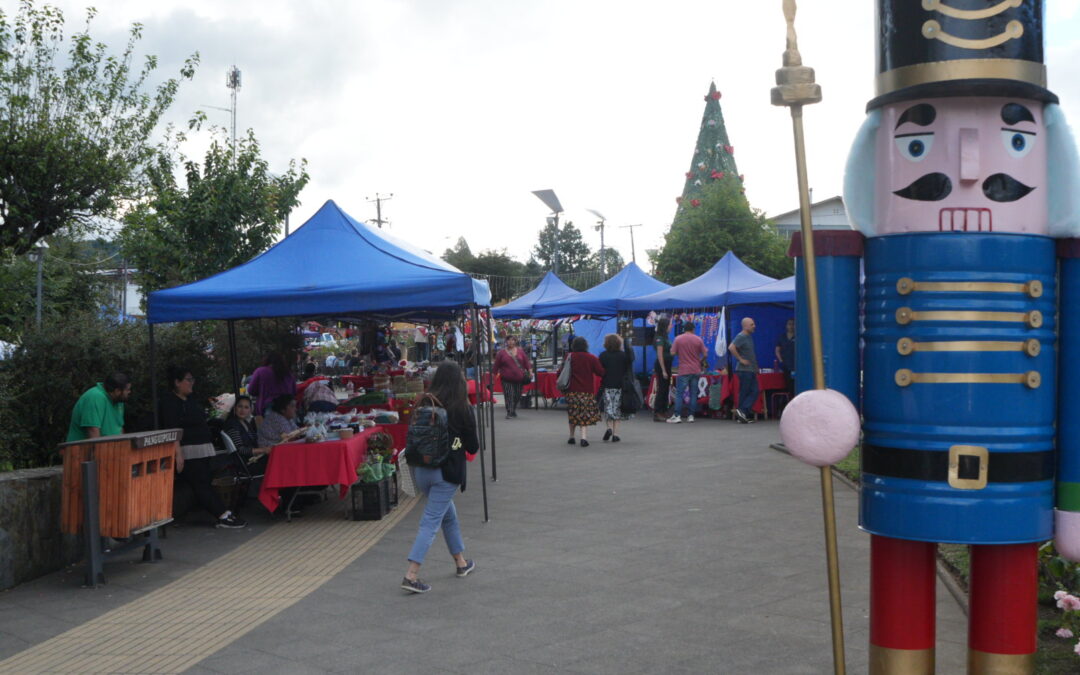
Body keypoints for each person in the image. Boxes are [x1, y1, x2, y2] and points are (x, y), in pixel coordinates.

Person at [401, 361, 480, 594]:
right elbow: (473, 446)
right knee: (431, 521)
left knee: (448, 516)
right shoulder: (462, 407)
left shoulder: (425, 401)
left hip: (422, 470)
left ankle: (461, 563)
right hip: (446, 473)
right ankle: (411, 574)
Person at [159, 366, 246, 529]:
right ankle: (222, 514)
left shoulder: (191, 399)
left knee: (204, 481)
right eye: (188, 380)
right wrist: (178, 454)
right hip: (187, 449)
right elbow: (172, 429)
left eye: (193, 379)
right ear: (177, 382)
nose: (192, 383)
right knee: (200, 483)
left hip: (202, 448)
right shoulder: (169, 402)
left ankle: (221, 513)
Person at [563, 336, 605, 446]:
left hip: (571, 391)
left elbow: (561, 372)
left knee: (573, 413)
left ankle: (571, 436)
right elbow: (600, 372)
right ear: (586, 345)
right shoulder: (591, 358)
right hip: (586, 391)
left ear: (574, 345)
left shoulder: (569, 357)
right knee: (584, 414)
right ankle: (583, 438)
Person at [67, 373, 131, 442]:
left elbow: (119, 429)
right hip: (82, 450)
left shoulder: (118, 400)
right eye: (127, 389)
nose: (129, 392)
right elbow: (93, 433)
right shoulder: (95, 397)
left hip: (112, 449)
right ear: (117, 391)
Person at [668, 322, 707, 423]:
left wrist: (680, 353)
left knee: (680, 394)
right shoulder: (698, 339)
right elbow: (705, 354)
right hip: (696, 369)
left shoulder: (678, 339)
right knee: (693, 393)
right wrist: (700, 361)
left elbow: (672, 353)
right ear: (693, 329)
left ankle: (677, 415)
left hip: (684, 370)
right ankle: (691, 416)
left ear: (684, 329)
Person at [599, 333, 634, 442]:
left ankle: (609, 428)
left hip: (607, 385)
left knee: (608, 408)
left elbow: (600, 371)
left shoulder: (603, 355)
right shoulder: (623, 356)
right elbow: (630, 362)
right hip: (620, 386)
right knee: (617, 409)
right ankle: (616, 434)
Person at [493, 335, 532, 420]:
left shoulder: (521, 351)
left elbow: (527, 363)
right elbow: (496, 366)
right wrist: (493, 376)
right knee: (509, 395)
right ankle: (510, 412)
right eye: (509, 340)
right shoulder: (501, 353)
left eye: (512, 340)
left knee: (517, 396)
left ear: (515, 341)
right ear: (506, 342)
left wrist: (530, 371)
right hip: (506, 379)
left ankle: (513, 409)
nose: (510, 342)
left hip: (519, 379)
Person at [729, 317, 759, 424]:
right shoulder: (741, 336)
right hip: (744, 370)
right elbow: (731, 347)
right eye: (752, 324)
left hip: (750, 370)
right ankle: (742, 411)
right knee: (751, 391)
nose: (754, 326)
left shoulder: (748, 336)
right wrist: (740, 359)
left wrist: (756, 368)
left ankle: (742, 415)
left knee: (748, 392)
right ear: (745, 326)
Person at [248, 352, 296, 417]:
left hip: (268, 407)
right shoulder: (288, 374)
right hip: (287, 408)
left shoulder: (260, 371)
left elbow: (251, 390)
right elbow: (293, 391)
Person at [652, 316, 673, 423]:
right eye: (670, 324)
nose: (671, 326)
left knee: (666, 389)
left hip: (668, 364)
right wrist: (663, 370)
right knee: (661, 389)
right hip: (662, 365)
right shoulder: (659, 338)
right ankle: (657, 412)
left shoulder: (666, 337)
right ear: (665, 326)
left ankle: (664, 410)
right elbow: (660, 355)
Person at [775, 318, 796, 395]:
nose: (791, 326)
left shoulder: (798, 336)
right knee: (788, 385)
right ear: (786, 326)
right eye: (789, 324)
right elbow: (777, 350)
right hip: (786, 366)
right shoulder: (782, 337)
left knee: (795, 385)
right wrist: (781, 360)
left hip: (796, 366)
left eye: (793, 324)